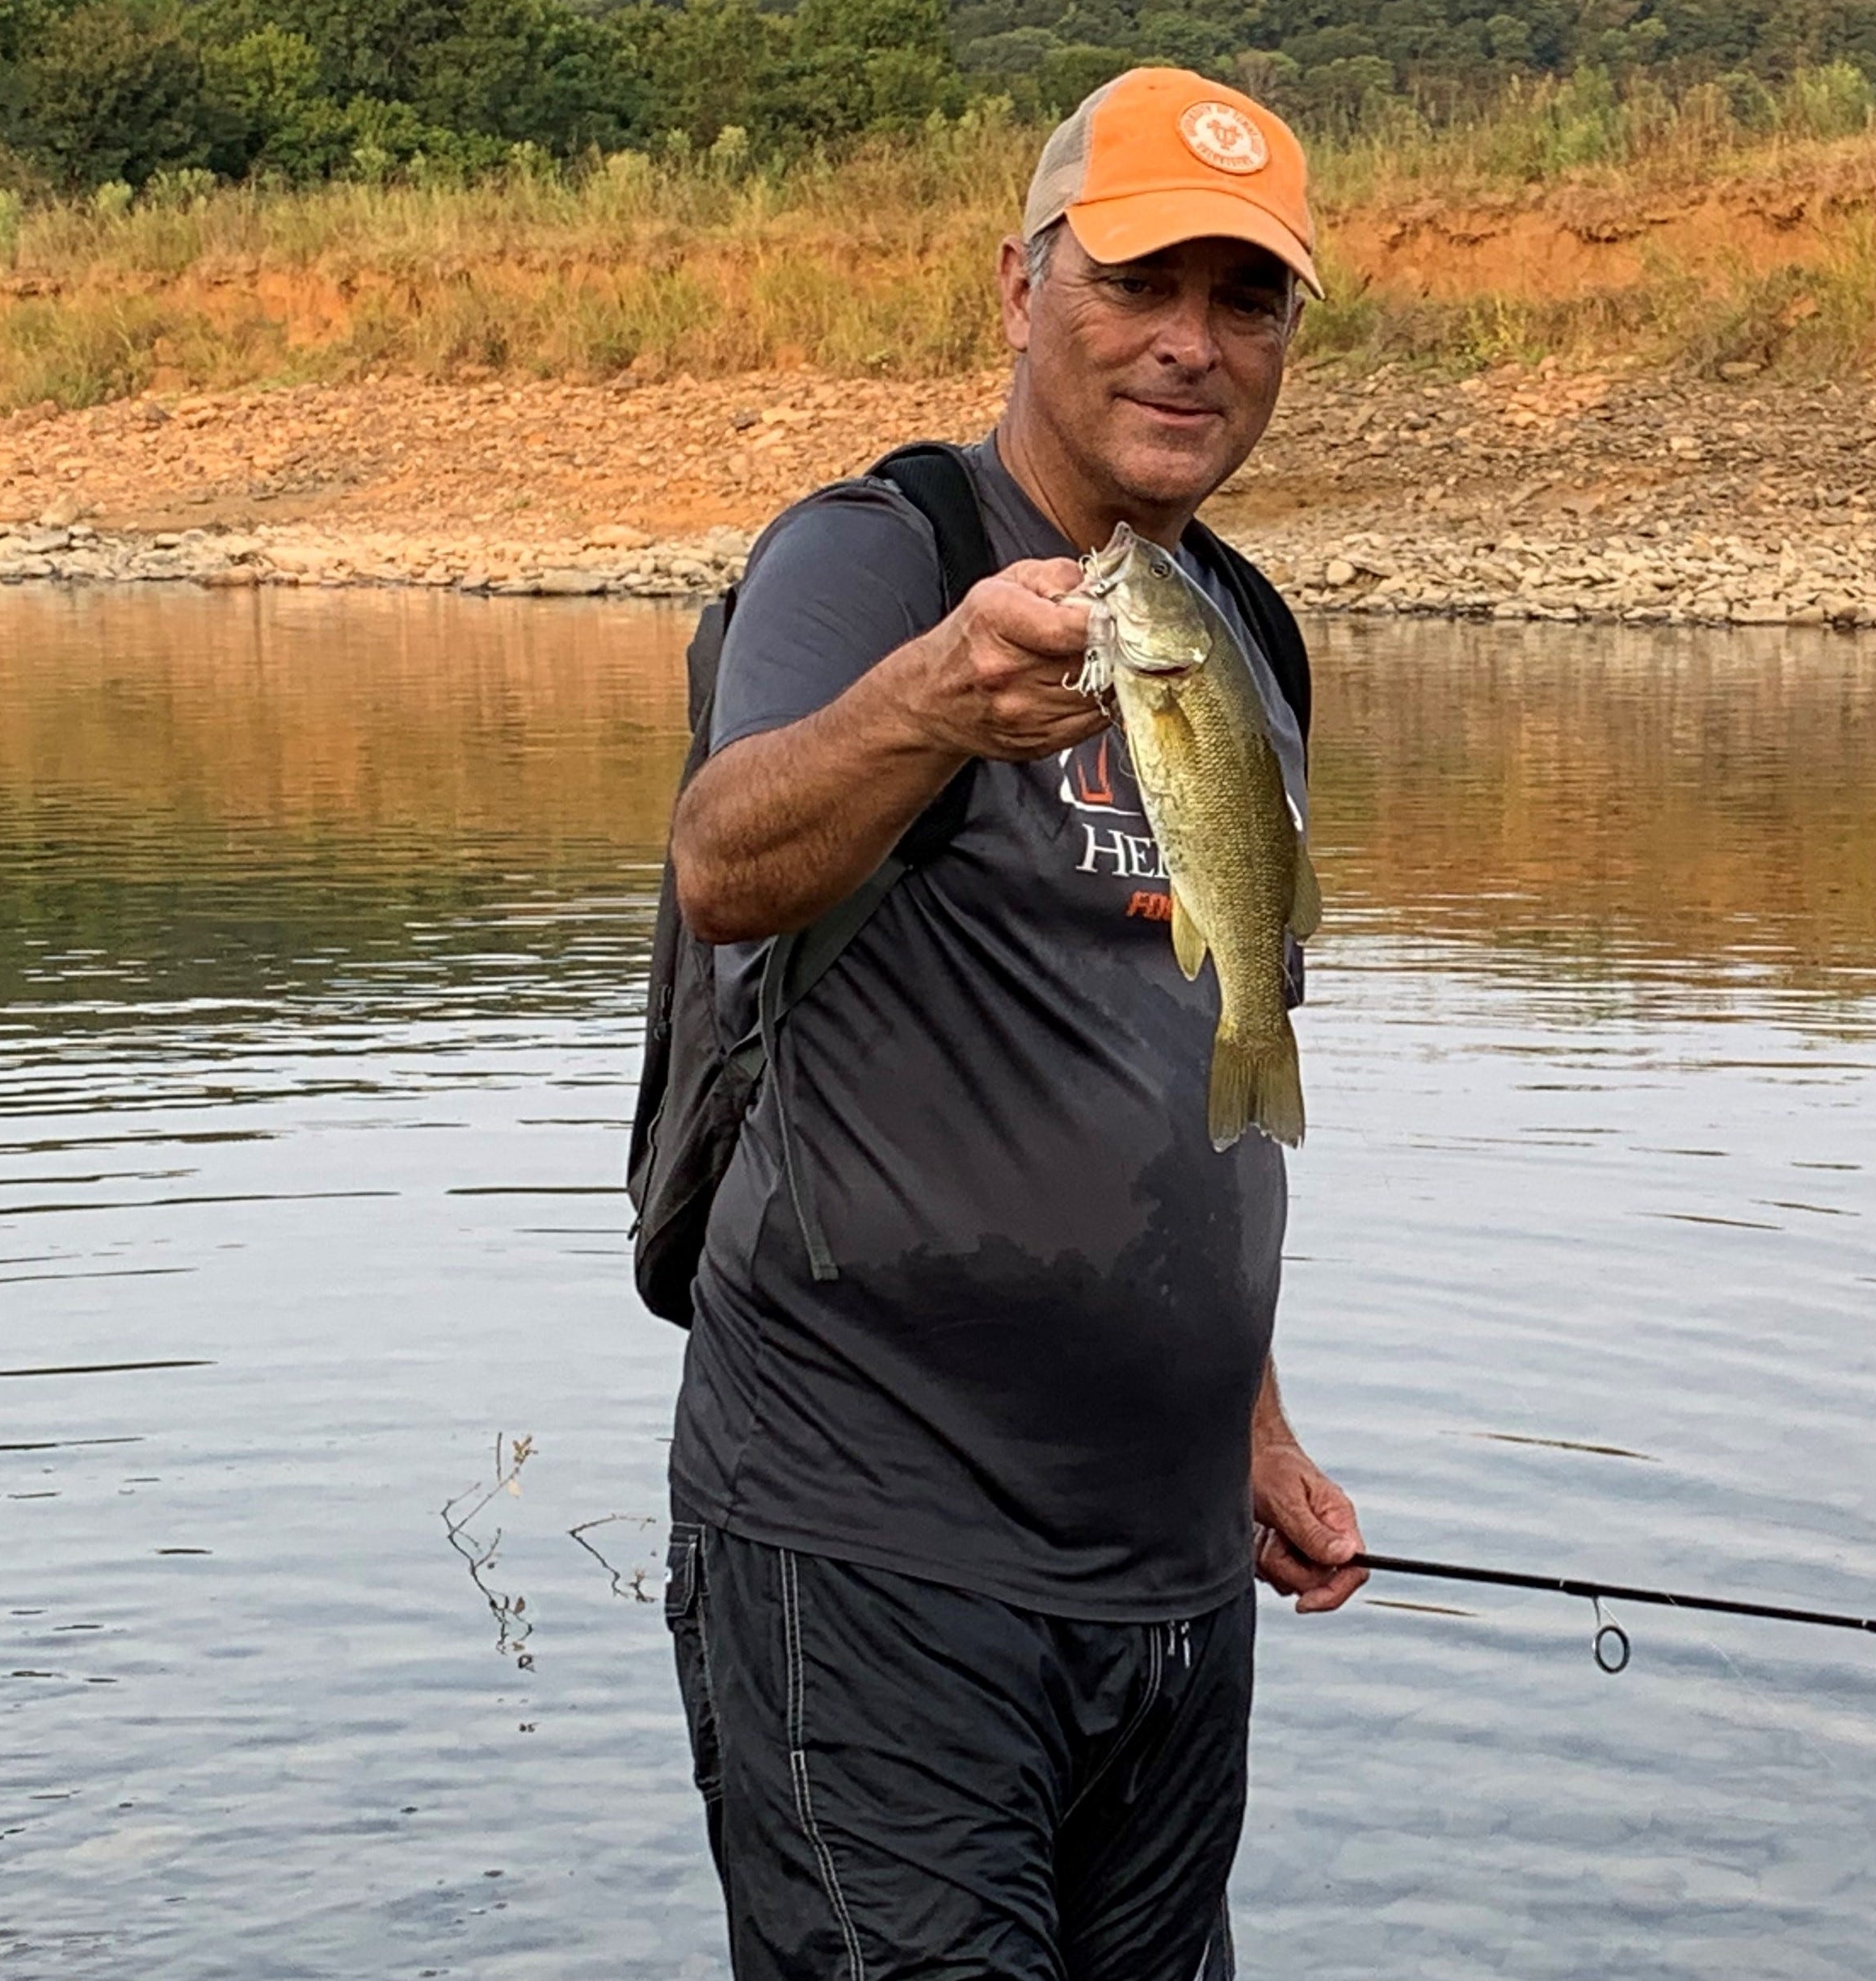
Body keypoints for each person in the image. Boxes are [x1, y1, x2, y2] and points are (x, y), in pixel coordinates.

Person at [657, 68, 1363, 1980]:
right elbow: (724, 861)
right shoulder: (879, 552)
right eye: (1142, 284)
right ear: (1021, 290)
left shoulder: (1248, 633)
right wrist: (929, 708)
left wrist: (1256, 1422)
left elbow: (1190, 1059)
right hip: (876, 1553)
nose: (1193, 348)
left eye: (1248, 301)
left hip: (1168, 1586)